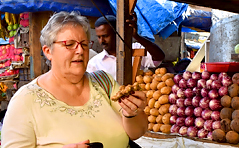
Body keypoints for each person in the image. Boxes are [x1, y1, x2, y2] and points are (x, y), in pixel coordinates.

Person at [1, 11, 148, 148]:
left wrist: (132, 113)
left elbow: (137, 133)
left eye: (84, 44)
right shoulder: (24, 101)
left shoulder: (104, 82)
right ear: (48, 51)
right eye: (69, 44)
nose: (80, 50)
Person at [87, 14, 165, 79]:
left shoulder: (136, 49)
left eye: (105, 36)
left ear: (117, 33)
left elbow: (159, 57)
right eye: (99, 37)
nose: (101, 41)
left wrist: (136, 36)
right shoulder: (94, 64)